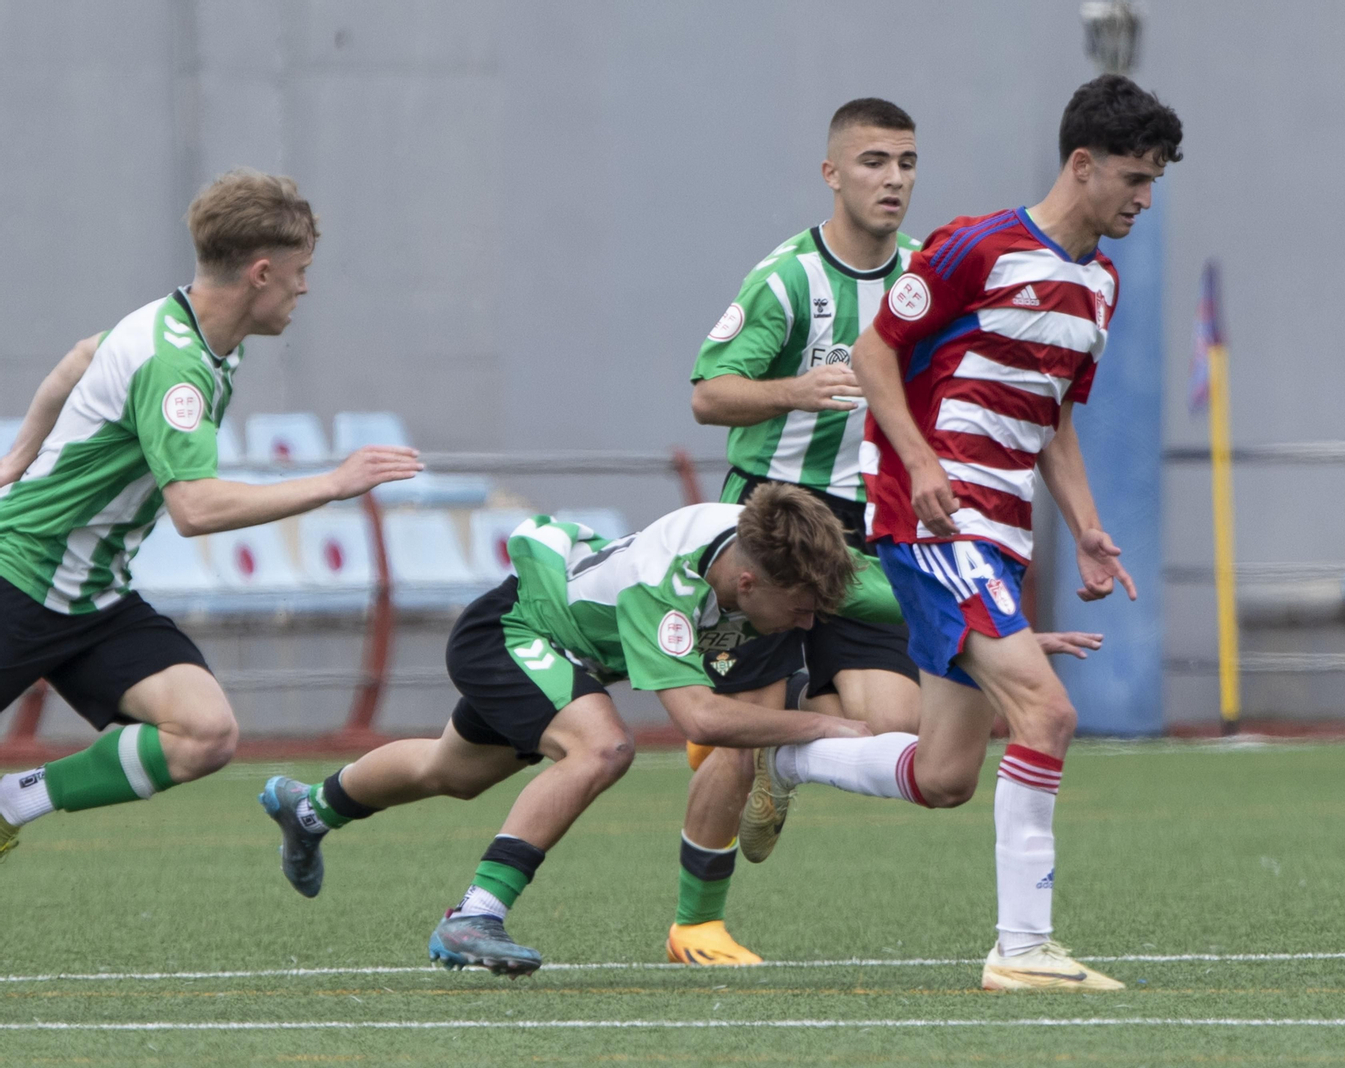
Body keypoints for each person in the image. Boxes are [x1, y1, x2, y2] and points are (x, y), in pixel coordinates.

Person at [738, 74, 1184, 992]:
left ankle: (784, 756)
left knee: (945, 773)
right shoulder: (978, 247)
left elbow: (1050, 413)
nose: (1145, 199)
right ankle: (1022, 951)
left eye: (1154, 183)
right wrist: (924, 463)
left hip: (999, 532)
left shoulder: (1099, 284)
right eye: (1135, 179)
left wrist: (1088, 530)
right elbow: (874, 353)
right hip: (930, 517)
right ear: (1082, 163)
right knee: (1049, 713)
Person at [259, 484, 881, 977]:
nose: (809, 621)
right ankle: (474, 916)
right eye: (801, 609)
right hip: (512, 633)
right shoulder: (667, 584)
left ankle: (310, 809)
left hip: (563, 656)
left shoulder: (774, 547)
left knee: (449, 771)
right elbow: (701, 719)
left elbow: (883, 595)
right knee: (602, 747)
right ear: (748, 584)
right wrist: (824, 723)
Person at [0, 169, 423, 863]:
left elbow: (81, 356)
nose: (305, 287)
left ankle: (12, 802)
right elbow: (193, 509)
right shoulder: (178, 367)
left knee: (203, 733)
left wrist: (19, 455)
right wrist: (333, 483)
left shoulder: (177, 323)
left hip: (89, 599)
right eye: (300, 271)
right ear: (261, 273)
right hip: (17, 578)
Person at [673, 97, 927, 965]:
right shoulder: (786, 278)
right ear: (832, 173)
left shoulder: (926, 278)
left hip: (866, 526)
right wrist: (795, 389)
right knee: (743, 726)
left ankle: (779, 760)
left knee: (899, 726)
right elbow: (709, 394)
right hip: (777, 519)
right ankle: (694, 923)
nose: (892, 179)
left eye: (905, 162)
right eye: (873, 162)